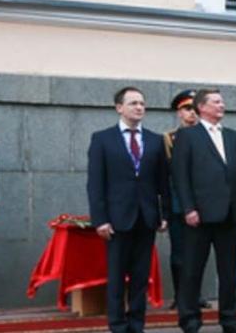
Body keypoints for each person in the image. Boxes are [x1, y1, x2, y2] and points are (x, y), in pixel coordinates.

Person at [87, 86, 170, 333]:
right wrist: (100, 219)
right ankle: (117, 324)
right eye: (133, 103)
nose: (139, 108)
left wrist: (164, 214)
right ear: (119, 107)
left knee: (140, 278)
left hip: (146, 218)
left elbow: (163, 182)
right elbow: (95, 183)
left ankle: (136, 324)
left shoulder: (155, 140)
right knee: (116, 277)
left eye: (142, 104)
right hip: (116, 219)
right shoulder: (102, 139)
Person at [172, 88, 236, 333]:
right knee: (192, 270)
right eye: (216, 102)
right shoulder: (188, 136)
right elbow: (180, 176)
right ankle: (190, 320)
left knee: (228, 272)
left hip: (229, 214)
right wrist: (188, 208)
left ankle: (230, 319)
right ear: (202, 107)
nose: (222, 105)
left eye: (222, 101)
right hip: (199, 215)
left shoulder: (233, 136)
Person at [162, 89, 208, 310]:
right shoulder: (169, 139)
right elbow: (167, 177)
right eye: (187, 109)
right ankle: (181, 295)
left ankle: (195, 295)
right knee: (180, 253)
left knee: (199, 252)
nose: (192, 113)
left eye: (195, 108)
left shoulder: (208, 135)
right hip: (178, 206)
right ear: (179, 113)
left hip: (204, 204)